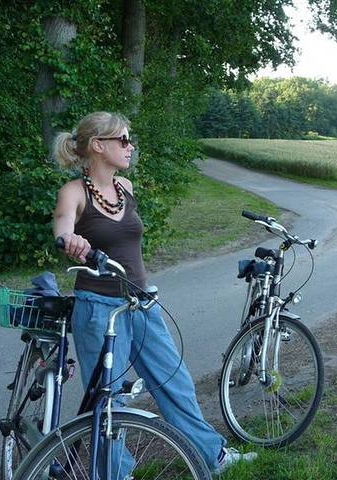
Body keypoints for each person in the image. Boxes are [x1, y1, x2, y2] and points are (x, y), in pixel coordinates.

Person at [51, 111, 255, 475]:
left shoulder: (124, 188)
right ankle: (116, 473)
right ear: (99, 145)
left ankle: (213, 455)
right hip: (98, 309)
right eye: (123, 140)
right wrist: (71, 239)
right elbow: (64, 224)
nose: (130, 147)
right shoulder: (73, 192)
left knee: (175, 382)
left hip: (140, 303)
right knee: (108, 399)